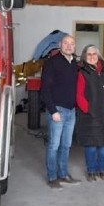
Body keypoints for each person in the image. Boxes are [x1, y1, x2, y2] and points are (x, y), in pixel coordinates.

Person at [40, 34, 81, 190]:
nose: (69, 46)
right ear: (60, 45)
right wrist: (53, 110)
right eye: (66, 43)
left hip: (71, 111)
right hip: (57, 111)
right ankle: (52, 177)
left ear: (74, 47)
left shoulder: (74, 64)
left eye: (72, 44)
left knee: (66, 145)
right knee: (54, 146)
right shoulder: (52, 63)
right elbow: (45, 89)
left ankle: (63, 174)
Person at [75, 45, 104, 182]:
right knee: (91, 145)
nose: (92, 56)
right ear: (84, 56)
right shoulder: (82, 73)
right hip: (91, 116)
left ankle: (101, 170)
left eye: (94, 54)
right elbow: (79, 95)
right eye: (89, 54)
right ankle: (91, 171)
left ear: (98, 56)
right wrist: (88, 109)